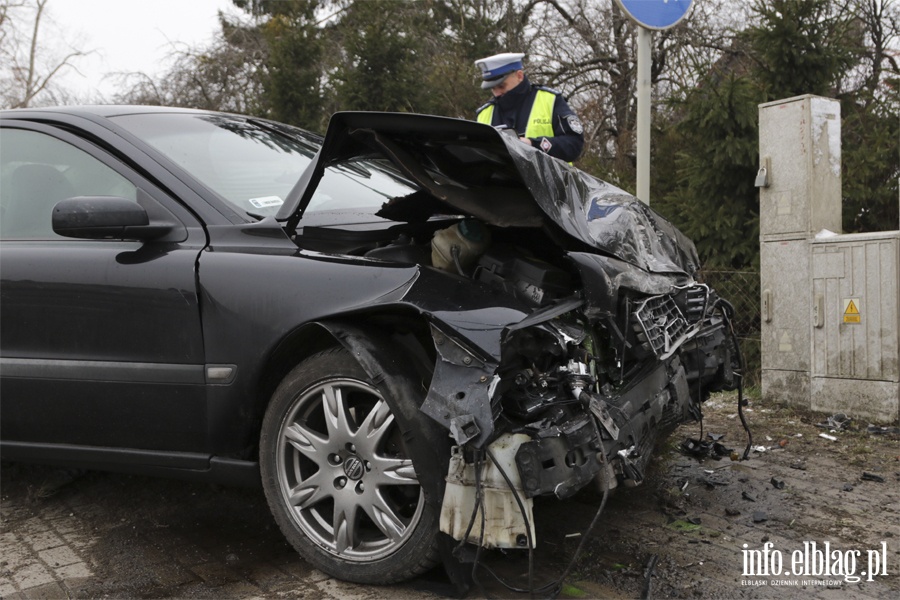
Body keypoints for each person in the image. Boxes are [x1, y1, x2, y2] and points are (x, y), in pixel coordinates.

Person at [474, 52, 584, 163]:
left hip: (548, 179)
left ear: (519, 76)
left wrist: (532, 144)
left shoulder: (549, 100)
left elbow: (574, 144)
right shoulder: (484, 114)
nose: (497, 93)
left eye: (501, 86)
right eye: (493, 88)